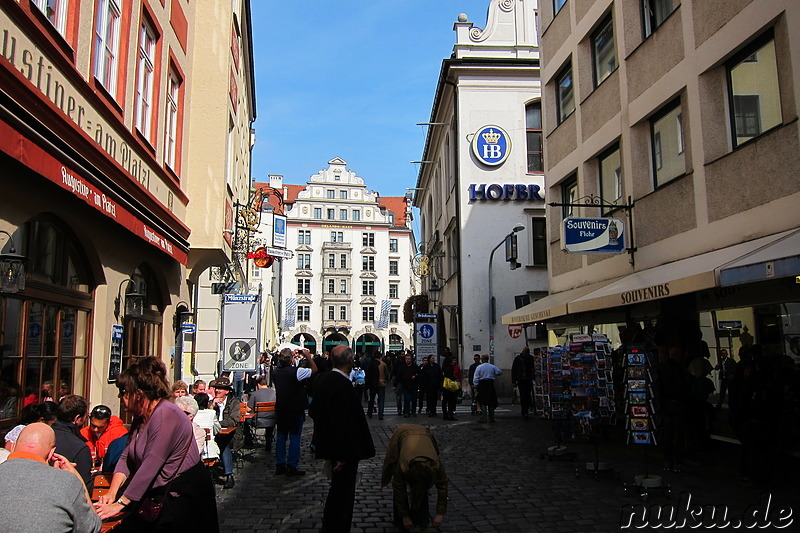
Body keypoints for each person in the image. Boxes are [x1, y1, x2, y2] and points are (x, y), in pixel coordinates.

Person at [94, 356, 218, 531]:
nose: (120, 397)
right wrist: (111, 493)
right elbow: (126, 457)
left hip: (184, 500)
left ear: (138, 394)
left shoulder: (166, 415)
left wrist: (120, 504)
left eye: (123, 392)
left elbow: (152, 464)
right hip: (158, 498)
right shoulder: (140, 418)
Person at [309, 345, 375, 532]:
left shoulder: (324, 380)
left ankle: (333, 526)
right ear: (350, 360)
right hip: (345, 451)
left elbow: (314, 411)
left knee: (338, 493)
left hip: (335, 448)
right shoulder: (342, 384)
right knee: (343, 496)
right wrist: (340, 454)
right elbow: (341, 422)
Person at [0, 422, 101, 533]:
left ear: (13, 447)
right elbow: (92, 528)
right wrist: (77, 478)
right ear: (51, 452)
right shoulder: (68, 482)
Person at [381, 424, 448, 532]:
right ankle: (402, 521)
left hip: (424, 434)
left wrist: (440, 513)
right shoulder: (402, 465)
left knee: (421, 488)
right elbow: (398, 487)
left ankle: (421, 521)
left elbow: (443, 484)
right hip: (401, 434)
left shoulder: (435, 463)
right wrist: (404, 516)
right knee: (400, 488)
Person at [273, 347, 317, 476]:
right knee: (294, 437)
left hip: (281, 408)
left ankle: (280, 464)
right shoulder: (297, 372)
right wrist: (308, 356)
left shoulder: (276, 372)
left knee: (281, 437)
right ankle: (292, 465)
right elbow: (314, 370)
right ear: (292, 359)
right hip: (295, 408)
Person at [53, 394, 93, 487]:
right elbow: (84, 485)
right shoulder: (80, 448)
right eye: (86, 417)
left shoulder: (40, 436)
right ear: (77, 418)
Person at [210, 377, 240, 488]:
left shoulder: (234, 403)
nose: (217, 391)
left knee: (224, 444)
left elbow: (233, 421)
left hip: (232, 437)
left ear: (227, 391)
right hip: (214, 436)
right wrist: (212, 407)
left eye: (220, 389)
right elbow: (204, 417)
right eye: (216, 388)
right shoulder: (211, 402)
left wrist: (217, 423)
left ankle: (229, 475)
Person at [79, 404, 128, 470]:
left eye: (100, 427)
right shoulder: (83, 433)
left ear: (108, 423)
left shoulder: (120, 434)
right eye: (93, 425)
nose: (95, 430)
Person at [247, 376, 276, 453]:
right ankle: (269, 438)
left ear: (258, 385)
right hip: (272, 419)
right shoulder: (274, 393)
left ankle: (249, 440)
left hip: (257, 420)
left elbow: (249, 408)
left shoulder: (255, 394)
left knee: (244, 422)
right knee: (270, 419)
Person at [473, 354, 502, 423]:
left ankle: (484, 417)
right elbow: (499, 372)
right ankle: (491, 418)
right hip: (490, 384)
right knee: (491, 401)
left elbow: (476, 377)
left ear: (482, 359)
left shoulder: (479, 367)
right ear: (488, 359)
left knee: (483, 401)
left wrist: (475, 386)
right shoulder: (492, 366)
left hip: (482, 385)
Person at [193, 393, 221, 461]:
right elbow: (217, 428)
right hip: (210, 452)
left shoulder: (192, 414)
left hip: (195, 452)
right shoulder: (211, 413)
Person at [511, 347, 535, 420]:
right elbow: (514, 370)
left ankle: (528, 407)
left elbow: (533, 368)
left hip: (528, 379)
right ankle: (524, 411)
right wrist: (514, 381)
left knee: (527, 394)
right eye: (525, 352)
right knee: (523, 395)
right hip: (521, 380)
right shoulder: (518, 359)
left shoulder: (530, 358)